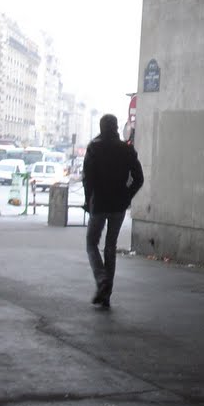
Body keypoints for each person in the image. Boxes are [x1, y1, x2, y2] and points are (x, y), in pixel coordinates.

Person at [83, 113, 144, 308]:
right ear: (117, 127)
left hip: (99, 204)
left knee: (92, 244)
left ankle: (102, 280)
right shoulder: (126, 150)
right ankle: (106, 295)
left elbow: (88, 179)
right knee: (110, 247)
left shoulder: (94, 147)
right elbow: (139, 178)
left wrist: (87, 200)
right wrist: (127, 196)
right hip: (118, 206)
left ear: (101, 128)